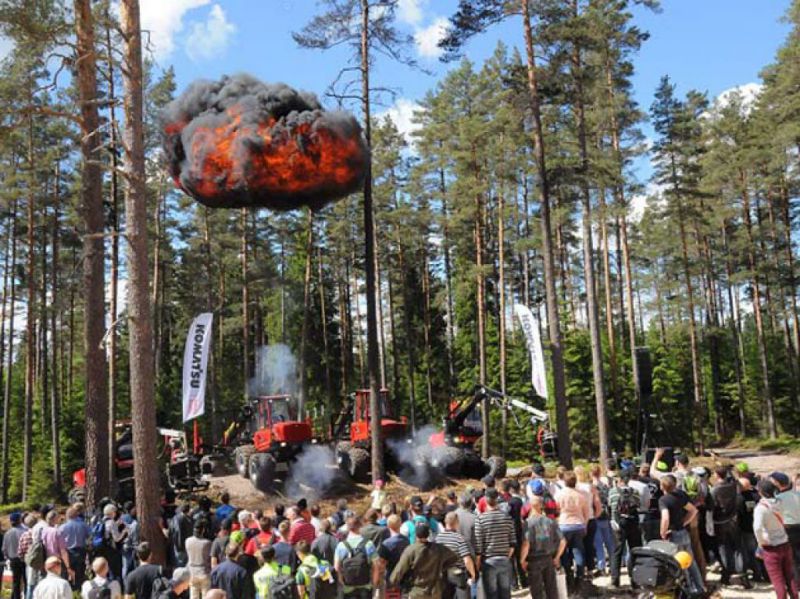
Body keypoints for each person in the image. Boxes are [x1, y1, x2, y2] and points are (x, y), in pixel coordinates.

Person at [659, 474, 704, 596]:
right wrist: (685, 522)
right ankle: (700, 586)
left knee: (679, 563)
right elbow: (693, 510)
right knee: (691, 561)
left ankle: (688, 589)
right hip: (683, 532)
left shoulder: (663, 500)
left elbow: (665, 518)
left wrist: (663, 532)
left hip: (673, 534)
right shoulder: (681, 495)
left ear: (662, 486)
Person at [389, 522, 458, 599]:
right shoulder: (438, 548)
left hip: (416, 592)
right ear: (428, 534)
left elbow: (399, 570)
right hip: (434, 592)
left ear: (416, 534)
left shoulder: (411, 550)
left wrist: (392, 583)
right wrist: (441, 567)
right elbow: (454, 558)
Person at [755, 479, 799, 599]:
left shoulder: (761, 508)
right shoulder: (780, 502)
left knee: (777, 580)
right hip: (785, 542)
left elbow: (758, 528)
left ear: (761, 492)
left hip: (770, 547)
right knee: (789, 576)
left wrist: (760, 543)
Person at [520, 496, 566, 599]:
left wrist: (522, 560)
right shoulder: (550, 521)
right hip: (548, 558)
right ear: (542, 506)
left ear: (530, 506)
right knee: (551, 589)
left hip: (534, 560)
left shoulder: (528, 523)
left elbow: (526, 544)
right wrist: (557, 557)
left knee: (537, 591)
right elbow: (563, 541)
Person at [708, 464, 746, 587]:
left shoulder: (714, 490)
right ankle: (742, 574)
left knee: (723, 548)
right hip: (733, 520)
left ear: (717, 475)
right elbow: (735, 480)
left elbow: (711, 507)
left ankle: (726, 575)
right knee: (737, 547)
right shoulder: (733, 486)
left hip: (720, 522)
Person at [474, 488, 515, 599]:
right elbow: (512, 543)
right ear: (497, 500)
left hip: (489, 561)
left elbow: (478, 545)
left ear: (486, 500)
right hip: (504, 559)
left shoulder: (480, 519)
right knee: (506, 593)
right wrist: (506, 556)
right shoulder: (507, 517)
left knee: (492, 594)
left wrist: (477, 564)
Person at [556, 471, 590, 591]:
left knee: (564, 553)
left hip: (564, 524)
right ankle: (579, 577)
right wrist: (585, 524)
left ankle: (569, 578)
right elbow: (586, 512)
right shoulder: (581, 495)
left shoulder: (560, 494)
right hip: (578, 524)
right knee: (579, 551)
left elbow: (556, 510)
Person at [607, 470, 641, 588]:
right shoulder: (635, 492)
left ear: (619, 480)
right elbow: (639, 505)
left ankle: (615, 581)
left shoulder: (612, 492)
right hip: (633, 524)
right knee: (634, 552)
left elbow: (610, 506)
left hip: (618, 525)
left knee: (617, 553)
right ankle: (635, 581)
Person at [334, 516, 378, 599]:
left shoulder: (341, 545)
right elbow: (376, 566)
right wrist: (374, 584)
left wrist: (342, 582)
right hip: (365, 586)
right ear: (360, 526)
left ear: (347, 527)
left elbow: (336, 568)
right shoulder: (369, 544)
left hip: (348, 587)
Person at [437, 513, 477, 599]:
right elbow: (467, 560)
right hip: (458, 575)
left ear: (445, 522)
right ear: (456, 523)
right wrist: (473, 574)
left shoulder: (438, 538)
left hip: (443, 575)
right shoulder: (459, 539)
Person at [738, 478, 768, 583]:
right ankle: (766, 574)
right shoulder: (757, 496)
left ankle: (757, 575)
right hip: (759, 527)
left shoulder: (739, 499)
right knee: (762, 551)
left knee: (752, 553)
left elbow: (739, 515)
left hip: (747, 530)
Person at [773, 471, 800, 582]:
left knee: (793, 557)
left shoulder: (778, 498)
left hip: (789, 529)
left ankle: (797, 582)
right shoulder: (797, 495)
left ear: (778, 484)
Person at [591, 465, 615, 577]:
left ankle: (602, 566)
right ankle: (613, 564)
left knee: (598, 543)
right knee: (609, 541)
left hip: (596, 516)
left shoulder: (592, 487)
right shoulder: (605, 486)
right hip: (606, 515)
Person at [60, 506, 90, 590]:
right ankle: (78, 590)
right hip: (81, 552)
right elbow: (90, 536)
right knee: (80, 573)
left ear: (67, 515)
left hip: (68, 553)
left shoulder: (63, 527)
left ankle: (69, 590)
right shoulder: (83, 525)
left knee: (67, 573)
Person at [40, 511, 72, 583]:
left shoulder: (43, 531)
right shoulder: (57, 532)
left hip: (46, 560)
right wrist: (68, 566)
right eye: (57, 518)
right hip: (57, 561)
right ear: (54, 519)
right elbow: (63, 550)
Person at [186, 521, 212, 599]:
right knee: (206, 595)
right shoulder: (207, 543)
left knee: (193, 595)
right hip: (204, 570)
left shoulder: (187, 541)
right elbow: (208, 557)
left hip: (192, 571)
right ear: (203, 530)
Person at [4, 512, 27, 599]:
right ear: (20, 520)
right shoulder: (25, 531)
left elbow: (4, 549)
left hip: (13, 559)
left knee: (16, 582)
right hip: (23, 559)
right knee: (26, 581)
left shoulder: (7, 533)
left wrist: (7, 558)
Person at [120, 504, 140, 585]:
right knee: (133, 567)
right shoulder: (133, 522)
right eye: (134, 509)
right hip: (131, 546)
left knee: (125, 567)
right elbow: (134, 535)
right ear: (130, 510)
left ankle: (126, 586)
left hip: (123, 546)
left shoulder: (121, 519)